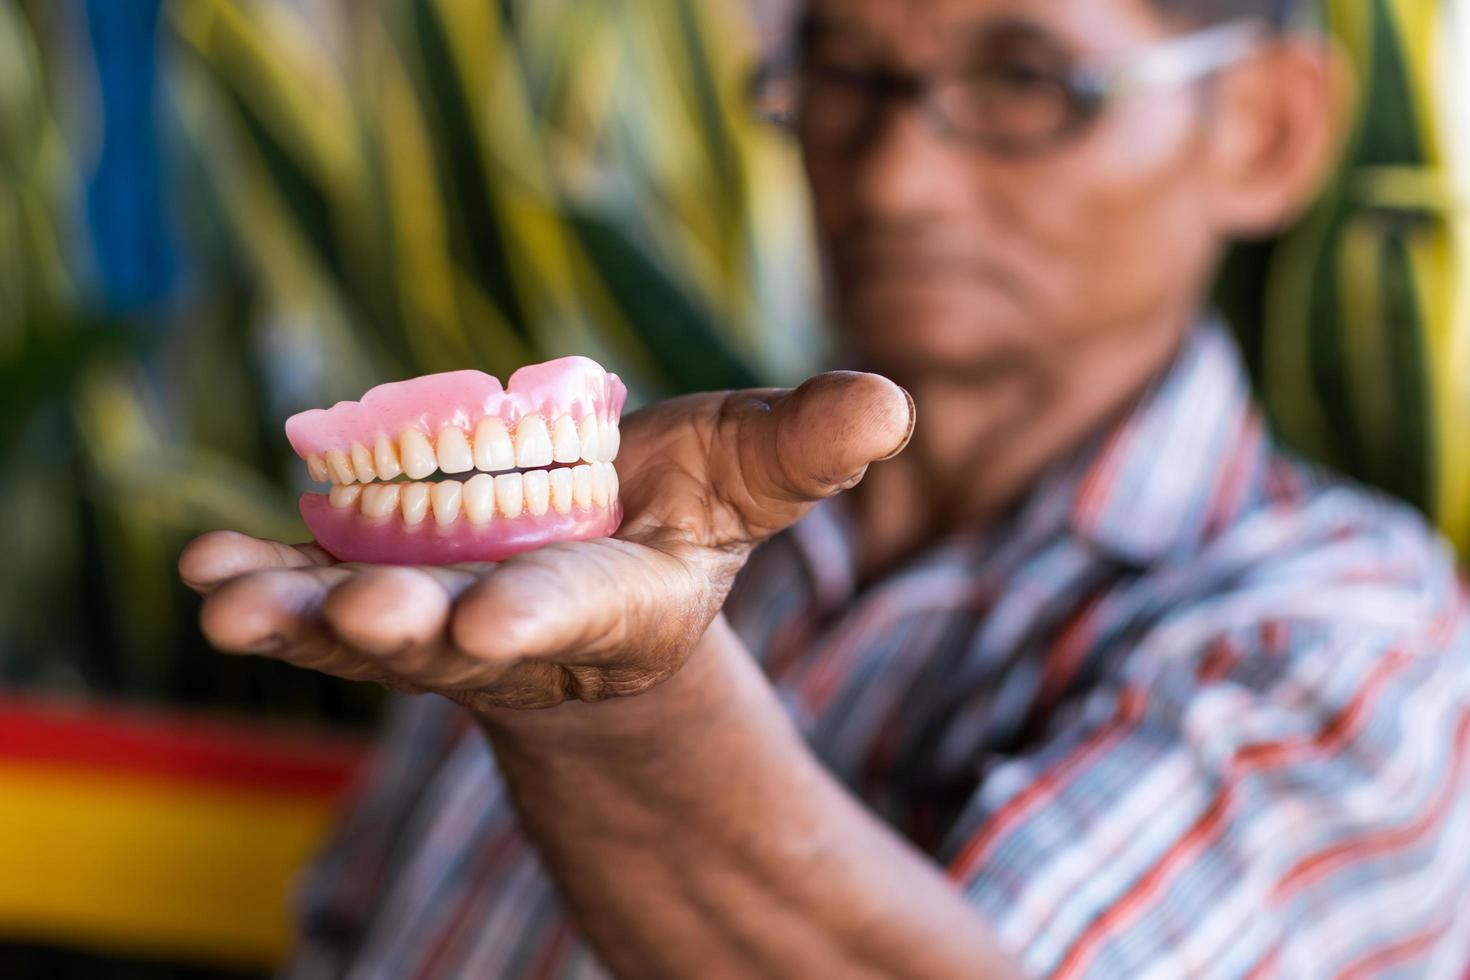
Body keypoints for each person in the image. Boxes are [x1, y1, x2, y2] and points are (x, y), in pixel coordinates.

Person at [179, 0, 1470, 976]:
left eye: (1024, 81)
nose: (889, 181)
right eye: (846, 76)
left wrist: (622, 709)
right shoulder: (584, 510)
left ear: (1263, 129)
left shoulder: (1348, 640)